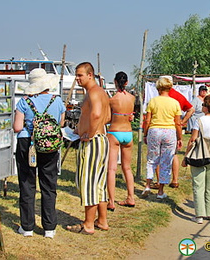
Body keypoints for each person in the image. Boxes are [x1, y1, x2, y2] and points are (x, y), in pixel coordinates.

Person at [13, 68, 66, 238]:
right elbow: (61, 123)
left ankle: (27, 227)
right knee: (49, 185)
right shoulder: (57, 101)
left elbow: (17, 127)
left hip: (27, 143)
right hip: (50, 144)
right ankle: (49, 228)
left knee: (27, 184)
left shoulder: (24, 102)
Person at [66, 62, 111, 235]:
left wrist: (89, 133)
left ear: (90, 75)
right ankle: (102, 220)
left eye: (80, 75)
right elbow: (107, 116)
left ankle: (88, 224)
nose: (77, 78)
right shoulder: (99, 92)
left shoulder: (93, 92)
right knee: (99, 182)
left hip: (93, 142)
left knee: (89, 183)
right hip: (99, 139)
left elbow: (98, 114)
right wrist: (80, 129)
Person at [182, 95, 210, 224]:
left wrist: (186, 156)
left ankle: (199, 215)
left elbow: (193, 139)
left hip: (200, 152)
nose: (202, 106)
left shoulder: (199, 120)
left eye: (203, 104)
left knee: (198, 184)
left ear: (206, 107)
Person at [142, 76, 182, 199]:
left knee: (152, 159)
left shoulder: (153, 101)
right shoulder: (175, 103)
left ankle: (148, 185)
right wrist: (179, 137)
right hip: (169, 131)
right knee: (166, 161)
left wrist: (145, 133)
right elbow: (178, 123)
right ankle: (160, 191)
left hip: (154, 130)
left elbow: (147, 120)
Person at [106, 71, 136, 211]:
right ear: (127, 82)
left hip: (115, 132)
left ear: (115, 82)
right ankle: (131, 197)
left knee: (112, 168)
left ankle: (111, 201)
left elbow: (107, 118)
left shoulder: (111, 100)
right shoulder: (132, 98)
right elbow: (131, 115)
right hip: (128, 133)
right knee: (127, 168)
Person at [167, 86, 194, 188]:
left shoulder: (160, 97)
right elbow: (191, 109)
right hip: (174, 129)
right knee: (173, 154)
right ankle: (175, 180)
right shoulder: (178, 96)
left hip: (161, 127)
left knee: (159, 156)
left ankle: (159, 182)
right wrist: (182, 122)